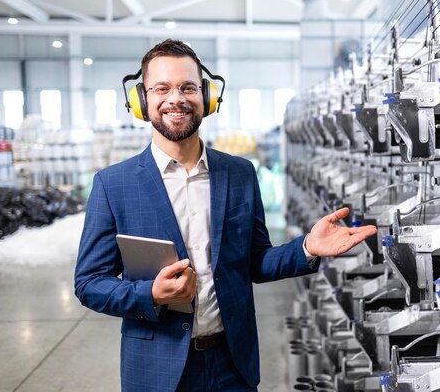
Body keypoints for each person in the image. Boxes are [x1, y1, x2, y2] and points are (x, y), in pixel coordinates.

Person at [74, 39, 377, 392]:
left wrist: (307, 247)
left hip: (232, 365)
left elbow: (253, 262)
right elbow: (90, 283)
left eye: (188, 87)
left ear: (207, 96)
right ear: (142, 100)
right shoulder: (114, 185)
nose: (176, 98)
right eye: (162, 88)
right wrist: (150, 294)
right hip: (158, 373)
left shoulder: (239, 173)